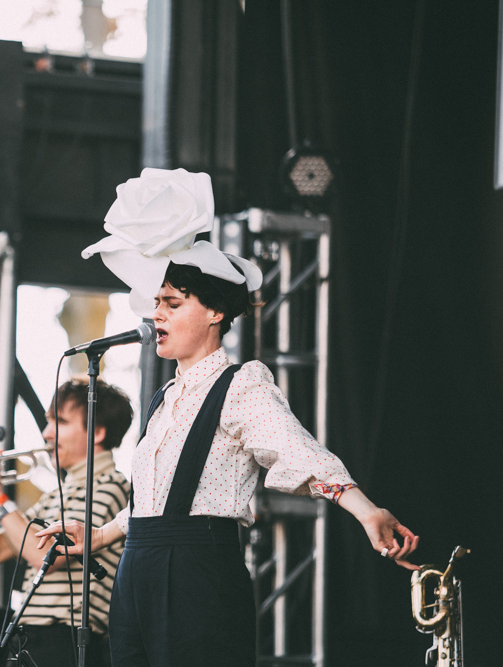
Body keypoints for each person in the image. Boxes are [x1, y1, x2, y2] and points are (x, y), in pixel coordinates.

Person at [37, 168, 419, 667]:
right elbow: (156, 503)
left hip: (198, 572)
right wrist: (102, 535)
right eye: (156, 303)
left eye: (172, 303)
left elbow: (298, 451)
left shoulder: (241, 383)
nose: (156, 315)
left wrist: (365, 509)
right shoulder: (164, 396)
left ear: (214, 311)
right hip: (137, 571)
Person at [0, 379, 133, 667]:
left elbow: (44, 555)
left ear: (98, 432)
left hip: (65, 641)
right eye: (48, 422)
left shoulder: (110, 487)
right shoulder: (55, 495)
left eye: (60, 422)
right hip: (30, 637)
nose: (46, 433)